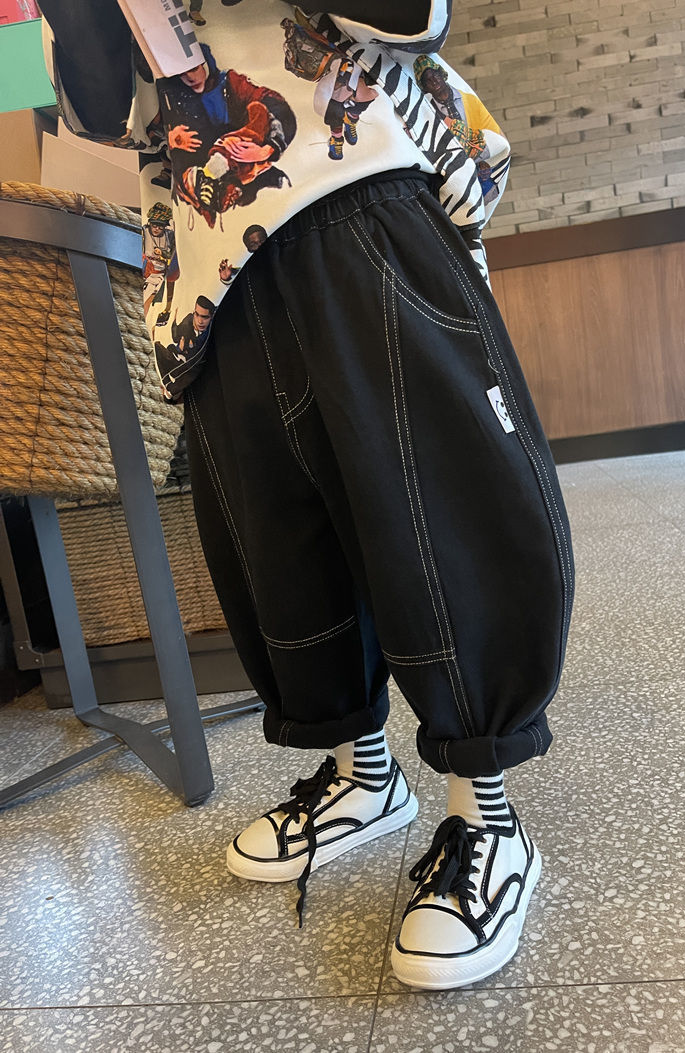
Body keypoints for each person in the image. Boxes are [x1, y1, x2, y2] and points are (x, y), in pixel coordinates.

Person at [39, 1, 574, 991]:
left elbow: (417, 16)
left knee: (439, 512)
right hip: (204, 261)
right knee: (276, 542)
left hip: (358, 181)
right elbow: (92, 112)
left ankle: (487, 818)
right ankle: (361, 776)